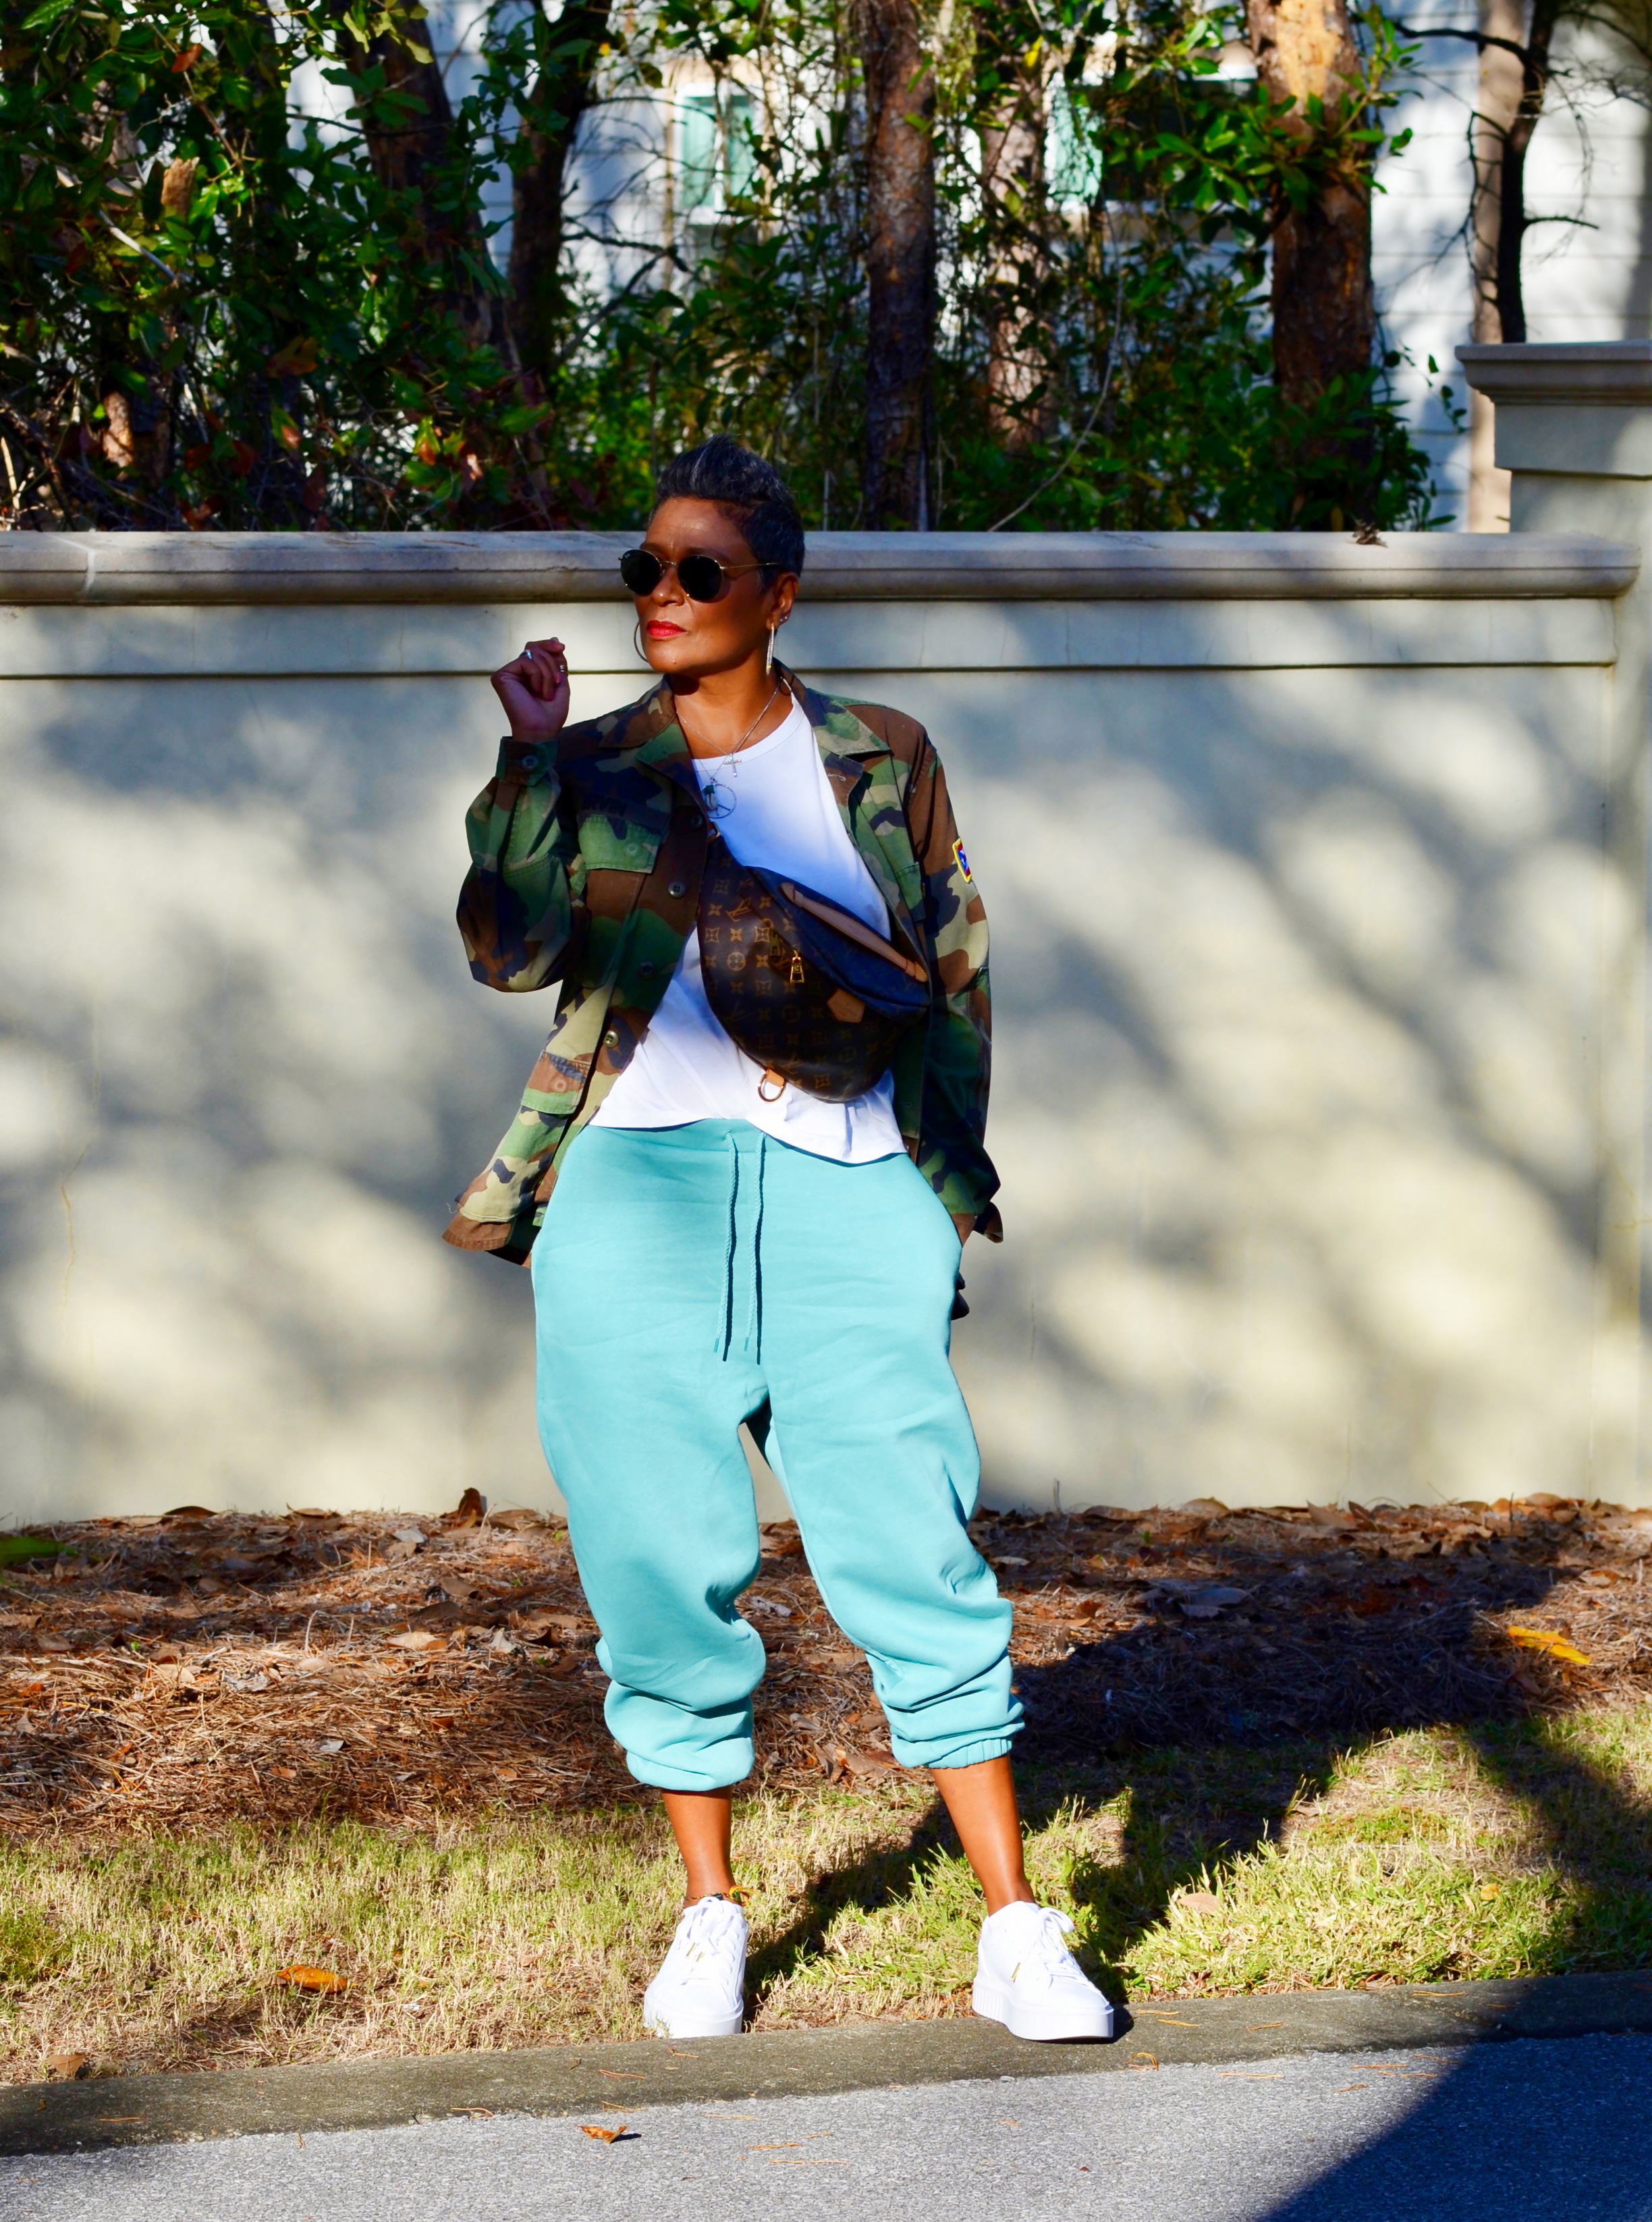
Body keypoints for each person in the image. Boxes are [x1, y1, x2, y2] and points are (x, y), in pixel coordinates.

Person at [444, 437, 1112, 2046]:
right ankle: (711, 1913)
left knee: (911, 1535)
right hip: (635, 1190)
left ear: (780, 594)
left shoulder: (881, 754)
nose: (662, 595)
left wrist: (940, 1188)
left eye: (701, 571)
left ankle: (1015, 1923)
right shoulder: (592, 761)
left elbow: (956, 972)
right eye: (645, 569)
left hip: (850, 1181)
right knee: (654, 1552)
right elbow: (509, 949)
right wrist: (528, 759)